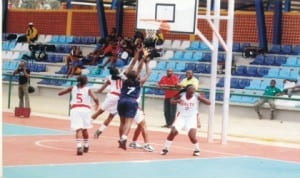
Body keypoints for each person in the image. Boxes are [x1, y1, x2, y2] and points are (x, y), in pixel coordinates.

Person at [160, 84, 211, 156]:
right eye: (191, 89)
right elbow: (171, 100)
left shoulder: (196, 96)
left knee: (192, 136)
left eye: (194, 89)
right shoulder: (181, 95)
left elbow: (209, 103)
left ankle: (197, 149)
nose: (193, 90)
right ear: (187, 90)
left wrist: (201, 98)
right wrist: (177, 101)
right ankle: (165, 148)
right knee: (173, 132)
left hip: (191, 118)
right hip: (181, 117)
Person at [117, 47, 151, 150]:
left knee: (122, 122)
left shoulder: (124, 80)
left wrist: (138, 54)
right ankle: (125, 138)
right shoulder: (139, 83)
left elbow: (132, 65)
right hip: (132, 103)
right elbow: (147, 73)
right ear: (137, 76)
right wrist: (146, 62)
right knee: (132, 123)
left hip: (121, 101)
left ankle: (123, 139)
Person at [58, 75, 99, 156]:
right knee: (85, 129)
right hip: (86, 110)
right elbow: (96, 98)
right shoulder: (88, 89)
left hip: (75, 110)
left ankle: (79, 146)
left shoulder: (73, 88)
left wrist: (69, 89)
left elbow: (60, 93)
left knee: (78, 129)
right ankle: (86, 145)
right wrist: (97, 104)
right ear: (86, 82)